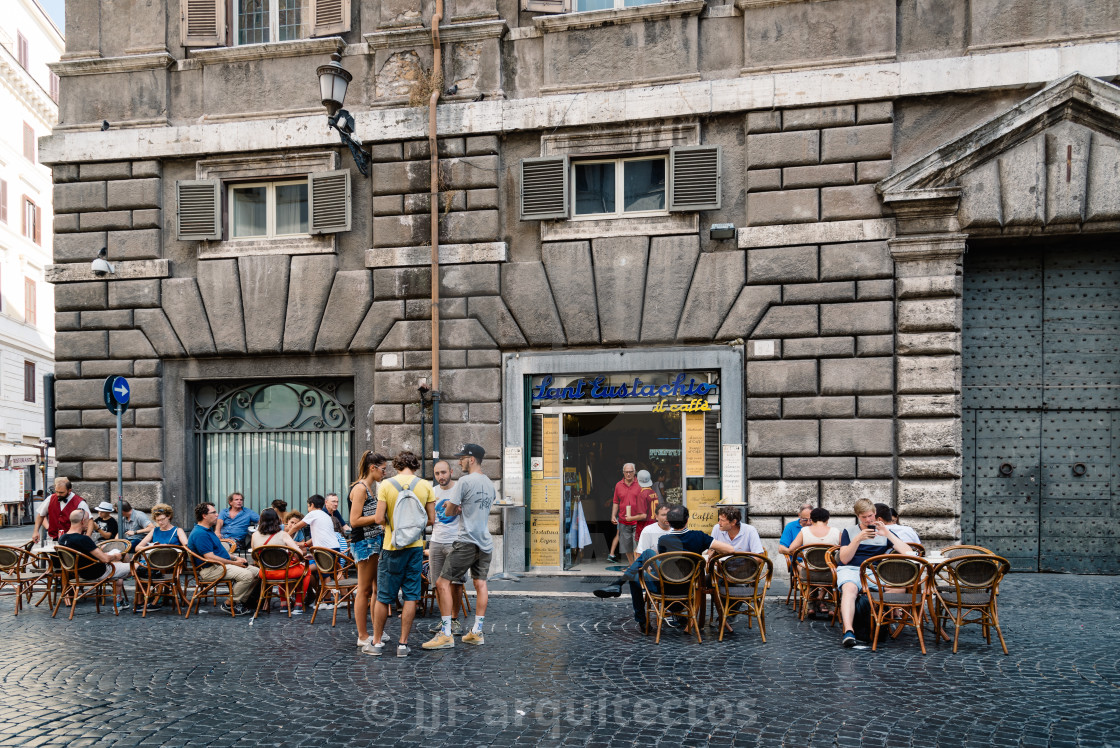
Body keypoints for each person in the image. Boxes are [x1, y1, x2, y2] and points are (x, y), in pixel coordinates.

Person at [593, 505, 735, 628]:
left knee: (637, 574)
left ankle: (638, 616)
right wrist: (713, 551)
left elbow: (666, 564)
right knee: (646, 557)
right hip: (689, 588)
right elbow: (730, 550)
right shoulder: (699, 536)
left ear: (670, 523)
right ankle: (618, 585)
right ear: (687, 520)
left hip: (663, 588)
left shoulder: (664, 540)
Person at [422, 443, 495, 651]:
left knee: (442, 582)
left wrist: (450, 506)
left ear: (471, 459)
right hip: (485, 542)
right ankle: (477, 632)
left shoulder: (464, 481)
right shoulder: (490, 484)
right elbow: (479, 509)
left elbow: (451, 512)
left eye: (462, 458)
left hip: (466, 540)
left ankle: (445, 634)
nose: (460, 461)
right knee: (480, 584)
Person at [368, 451, 435, 658]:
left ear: (397, 465)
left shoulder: (386, 485)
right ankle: (403, 645)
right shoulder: (425, 486)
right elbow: (431, 519)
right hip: (415, 547)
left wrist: (393, 524)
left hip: (391, 546)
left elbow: (378, 518)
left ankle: (377, 643)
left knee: (383, 597)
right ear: (415, 465)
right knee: (411, 596)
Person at [837, 498, 916, 648]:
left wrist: (887, 534)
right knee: (850, 588)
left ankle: (884, 622)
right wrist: (857, 539)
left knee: (899, 587)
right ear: (858, 516)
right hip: (851, 569)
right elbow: (844, 559)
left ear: (875, 514)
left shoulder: (884, 532)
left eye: (870, 516)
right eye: (863, 517)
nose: (867, 520)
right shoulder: (849, 531)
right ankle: (848, 631)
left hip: (874, 572)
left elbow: (908, 552)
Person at [187, 502, 260, 616]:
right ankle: (229, 604)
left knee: (257, 572)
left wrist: (236, 558)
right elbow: (210, 557)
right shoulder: (200, 533)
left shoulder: (208, 530)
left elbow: (220, 553)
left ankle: (239, 602)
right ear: (204, 515)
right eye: (214, 512)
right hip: (210, 569)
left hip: (219, 565)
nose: (217, 515)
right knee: (246, 576)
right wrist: (234, 563)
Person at [349, 451, 389, 648]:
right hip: (364, 543)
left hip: (373, 542)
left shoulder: (370, 489)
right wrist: (378, 518)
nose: (385, 473)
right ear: (372, 468)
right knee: (364, 590)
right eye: (383, 469)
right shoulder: (360, 489)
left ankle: (375, 631)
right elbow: (354, 521)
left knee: (375, 589)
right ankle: (362, 635)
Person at [57, 509, 130, 607]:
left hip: (81, 573)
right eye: (88, 520)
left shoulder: (62, 538)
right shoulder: (83, 539)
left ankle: (119, 600)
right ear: (83, 521)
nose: (90, 523)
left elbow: (85, 554)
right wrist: (115, 556)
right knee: (137, 566)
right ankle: (142, 602)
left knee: (119, 570)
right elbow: (105, 559)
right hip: (99, 572)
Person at [425, 460, 465, 636]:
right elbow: (429, 518)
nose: (441, 476)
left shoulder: (460, 490)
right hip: (436, 541)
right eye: (437, 474)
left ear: (451, 471)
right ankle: (445, 620)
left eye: (443, 472)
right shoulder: (432, 492)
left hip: (456, 542)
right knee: (437, 584)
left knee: (456, 583)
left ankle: (454, 620)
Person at [251, 508, 311, 614]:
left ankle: (284, 604)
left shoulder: (254, 535)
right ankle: (298, 604)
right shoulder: (283, 534)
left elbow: (255, 556)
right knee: (306, 570)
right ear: (278, 520)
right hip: (284, 572)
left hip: (265, 573)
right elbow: (300, 553)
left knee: (280, 566)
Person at [787, 507, 842, 617]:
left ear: (811, 519)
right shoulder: (836, 532)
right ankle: (832, 609)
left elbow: (791, 549)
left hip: (809, 574)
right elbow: (844, 551)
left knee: (810, 570)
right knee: (832, 578)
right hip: (830, 575)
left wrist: (803, 555)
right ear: (827, 519)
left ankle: (811, 607)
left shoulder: (804, 531)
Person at [33, 477, 91, 542]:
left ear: (69, 491)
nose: (58, 494)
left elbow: (90, 520)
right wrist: (36, 531)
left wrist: (88, 536)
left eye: (61, 492)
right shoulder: (51, 498)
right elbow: (40, 515)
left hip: (74, 539)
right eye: (56, 491)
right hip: (54, 538)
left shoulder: (79, 502)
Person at [608, 463, 641, 563]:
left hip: (637, 520)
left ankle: (637, 567)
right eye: (626, 472)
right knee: (627, 547)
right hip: (623, 520)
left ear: (634, 472)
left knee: (638, 546)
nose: (628, 474)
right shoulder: (618, 485)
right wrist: (613, 515)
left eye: (630, 472)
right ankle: (632, 566)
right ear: (623, 472)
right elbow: (615, 502)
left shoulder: (640, 484)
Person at [633, 470, 659, 547]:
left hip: (644, 528)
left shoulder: (642, 494)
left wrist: (630, 518)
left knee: (642, 554)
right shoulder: (653, 492)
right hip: (654, 526)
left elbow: (643, 515)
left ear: (637, 480)